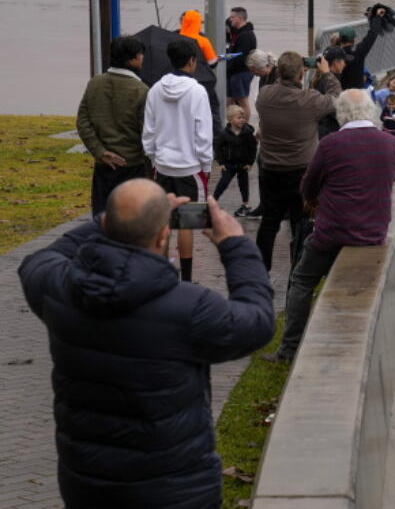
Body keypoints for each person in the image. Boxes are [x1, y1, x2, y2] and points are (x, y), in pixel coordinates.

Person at [17, 181, 274, 509]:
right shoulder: (191, 307)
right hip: (173, 490)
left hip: (87, 484)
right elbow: (258, 320)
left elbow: (41, 258)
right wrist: (234, 244)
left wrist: (111, 220)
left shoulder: (58, 289)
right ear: (163, 235)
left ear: (106, 225)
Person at [266, 90, 395, 363]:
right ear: (370, 111)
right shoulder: (388, 143)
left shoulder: (330, 144)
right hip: (372, 232)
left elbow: (309, 186)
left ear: (341, 113)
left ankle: (289, 349)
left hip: (333, 232)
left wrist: (319, 197)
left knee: (303, 279)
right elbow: (393, 175)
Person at [254, 51, 339, 270]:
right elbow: (335, 99)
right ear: (302, 74)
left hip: (270, 170)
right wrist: (327, 74)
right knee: (300, 223)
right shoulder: (310, 100)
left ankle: (262, 271)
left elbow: (273, 86)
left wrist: (285, 69)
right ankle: (297, 270)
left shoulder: (263, 96)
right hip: (302, 172)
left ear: (278, 72)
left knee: (269, 222)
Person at [143, 39, 213, 281]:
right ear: (192, 60)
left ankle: (161, 275)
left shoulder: (154, 89)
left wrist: (153, 157)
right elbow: (203, 132)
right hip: (190, 167)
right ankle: (186, 278)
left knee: (163, 222)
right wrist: (206, 164)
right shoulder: (197, 91)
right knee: (186, 224)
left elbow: (149, 130)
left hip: (162, 165)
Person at [76, 35, 150, 216]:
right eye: (140, 55)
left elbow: (83, 121)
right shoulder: (141, 90)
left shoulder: (95, 83)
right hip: (133, 164)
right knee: (132, 220)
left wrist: (99, 151)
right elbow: (147, 132)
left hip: (104, 164)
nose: (142, 58)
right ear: (132, 59)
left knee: (102, 220)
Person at [242, 50, 277, 220]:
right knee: (262, 164)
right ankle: (265, 205)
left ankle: (272, 206)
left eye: (253, 70)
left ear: (263, 66)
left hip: (276, 129)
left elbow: (275, 107)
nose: (252, 73)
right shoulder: (264, 77)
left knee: (266, 164)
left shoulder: (277, 79)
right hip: (267, 127)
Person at [214, 105, 258, 216]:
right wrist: (221, 162)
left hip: (243, 164)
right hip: (228, 164)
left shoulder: (247, 133)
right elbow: (217, 147)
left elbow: (253, 148)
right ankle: (213, 201)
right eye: (239, 117)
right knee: (223, 183)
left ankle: (245, 204)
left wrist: (250, 163)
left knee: (244, 184)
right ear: (230, 120)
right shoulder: (224, 134)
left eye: (243, 117)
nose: (242, 119)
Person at [337, 6, 386, 90]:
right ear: (353, 39)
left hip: (342, 93)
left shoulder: (335, 53)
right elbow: (372, 34)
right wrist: (376, 18)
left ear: (340, 39)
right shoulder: (360, 50)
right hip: (357, 94)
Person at [225, 7, 257, 119]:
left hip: (241, 73)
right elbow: (232, 53)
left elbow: (241, 57)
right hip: (233, 72)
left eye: (232, 17)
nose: (230, 20)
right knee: (229, 100)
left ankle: (245, 127)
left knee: (242, 100)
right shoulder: (237, 33)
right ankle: (232, 125)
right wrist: (222, 58)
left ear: (239, 18)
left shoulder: (246, 35)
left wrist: (228, 66)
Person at [313, 47, 347, 139]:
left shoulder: (321, 79)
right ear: (336, 63)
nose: (345, 64)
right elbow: (334, 109)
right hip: (327, 132)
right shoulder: (328, 82)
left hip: (322, 130)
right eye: (343, 61)